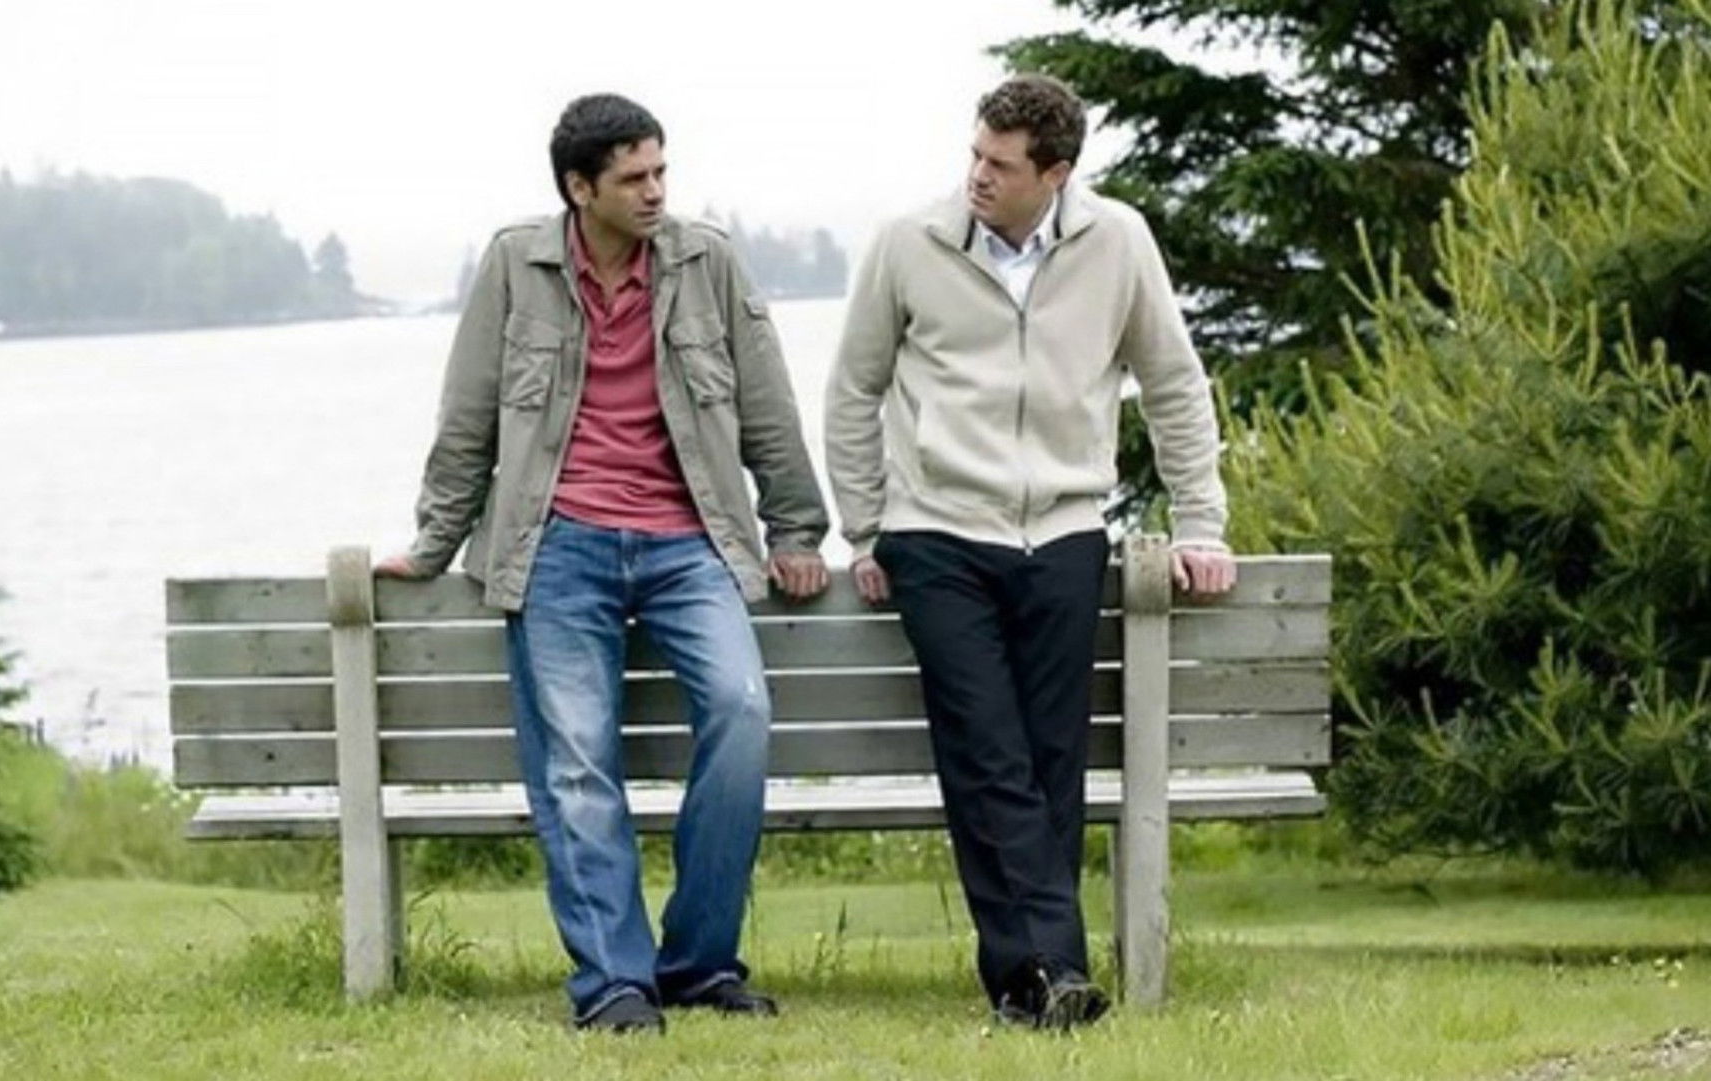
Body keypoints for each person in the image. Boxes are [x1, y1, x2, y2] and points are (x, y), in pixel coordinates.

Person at [375, 93, 830, 1033]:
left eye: (661, 171)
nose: (656, 191)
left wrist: (795, 532)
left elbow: (767, 406)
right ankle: (614, 982)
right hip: (558, 544)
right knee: (578, 760)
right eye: (633, 178)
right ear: (580, 189)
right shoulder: (516, 264)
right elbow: (467, 417)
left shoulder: (708, 261)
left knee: (742, 710)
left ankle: (700, 963)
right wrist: (433, 542)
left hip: (689, 543)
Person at [823, 74, 1237, 1029]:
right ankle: (1055, 964)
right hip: (935, 532)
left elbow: (1174, 384)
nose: (977, 175)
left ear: (1055, 174)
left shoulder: (1118, 241)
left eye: (1000, 165)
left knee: (1049, 758)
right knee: (987, 747)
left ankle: (1024, 985)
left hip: (1063, 530)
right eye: (974, 154)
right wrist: (866, 527)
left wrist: (1202, 523)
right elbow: (853, 390)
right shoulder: (908, 243)